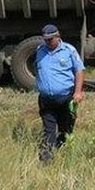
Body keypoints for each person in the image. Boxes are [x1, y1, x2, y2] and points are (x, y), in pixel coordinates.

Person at [35, 24, 85, 162]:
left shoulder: (69, 50)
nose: (47, 42)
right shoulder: (40, 50)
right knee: (49, 130)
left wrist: (78, 92)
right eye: (45, 40)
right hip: (46, 100)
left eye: (50, 39)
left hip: (65, 99)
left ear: (58, 36)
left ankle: (64, 153)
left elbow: (79, 71)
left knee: (65, 129)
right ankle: (47, 159)